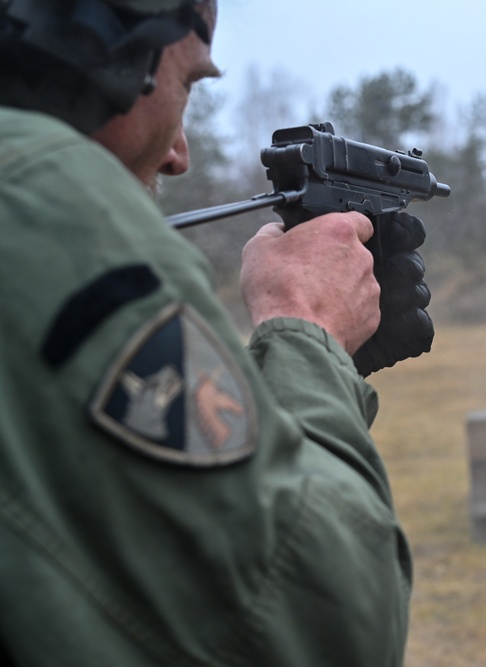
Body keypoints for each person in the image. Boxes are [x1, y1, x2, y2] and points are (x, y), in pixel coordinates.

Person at [0, 0, 430, 664]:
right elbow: (325, 617)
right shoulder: (42, 198)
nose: (179, 155)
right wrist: (305, 330)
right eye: (190, 83)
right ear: (95, 52)